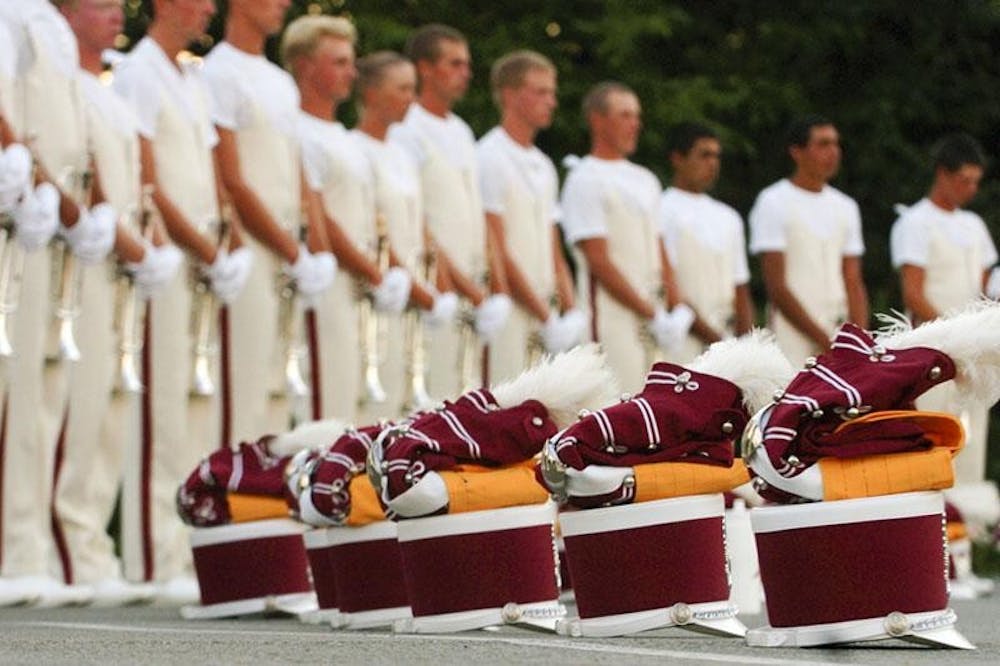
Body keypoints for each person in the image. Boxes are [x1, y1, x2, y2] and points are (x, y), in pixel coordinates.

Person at [113, 0, 245, 600]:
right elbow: (148, 177)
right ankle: (150, 556)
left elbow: (212, 169)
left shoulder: (192, 75)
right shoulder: (138, 70)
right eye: (197, 3)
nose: (208, 12)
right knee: (160, 408)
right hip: (173, 258)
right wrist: (199, 247)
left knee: (197, 405)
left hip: (206, 261)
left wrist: (229, 237)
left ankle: (187, 549)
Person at [53, 0, 181, 606]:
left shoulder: (108, 90)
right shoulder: (69, 83)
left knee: (107, 406)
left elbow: (138, 180)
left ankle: (89, 548)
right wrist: (129, 240)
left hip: (122, 263)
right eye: (99, 5)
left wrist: (150, 243)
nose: (113, 15)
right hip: (88, 256)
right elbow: (85, 168)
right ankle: (65, 547)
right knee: (73, 403)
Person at [0, 0, 115, 608]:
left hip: (46, 220)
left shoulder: (45, 24)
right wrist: (41, 184)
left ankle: (27, 548)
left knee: (42, 395)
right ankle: (15, 549)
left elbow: (72, 138)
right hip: (20, 211)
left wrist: (82, 209)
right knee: (14, 389)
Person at [203, 0, 335, 439]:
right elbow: (231, 179)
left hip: (286, 253)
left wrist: (312, 251)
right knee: (243, 383)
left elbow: (295, 168)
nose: (283, 4)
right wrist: (289, 249)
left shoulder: (280, 82)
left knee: (280, 386)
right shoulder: (218, 71)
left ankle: (267, 496)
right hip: (251, 248)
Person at [284, 16, 411, 423]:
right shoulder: (299, 130)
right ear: (304, 66)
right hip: (330, 283)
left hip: (361, 287)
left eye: (350, 62)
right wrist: (373, 273)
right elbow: (320, 215)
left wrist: (389, 271)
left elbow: (370, 217)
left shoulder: (342, 136)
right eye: (338, 62)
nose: (351, 73)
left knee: (363, 410)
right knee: (328, 407)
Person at [389, 24, 510, 398]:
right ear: (425, 68)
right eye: (454, 64)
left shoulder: (461, 130)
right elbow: (416, 216)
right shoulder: (406, 128)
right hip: (435, 286)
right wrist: (454, 285)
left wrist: (491, 288)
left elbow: (477, 214)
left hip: (471, 287)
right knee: (429, 396)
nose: (465, 73)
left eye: (466, 64)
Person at [559, 81, 693, 390]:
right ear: (597, 119)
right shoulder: (585, 178)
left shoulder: (645, 179)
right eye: (625, 115)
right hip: (611, 321)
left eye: (636, 116)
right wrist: (652, 313)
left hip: (653, 318)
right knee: (616, 405)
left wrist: (677, 305)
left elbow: (658, 248)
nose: (635, 124)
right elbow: (598, 260)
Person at [890, 133, 998, 486]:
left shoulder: (974, 225)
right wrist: (951, 333)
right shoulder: (916, 222)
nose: (969, 189)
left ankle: (974, 522)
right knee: (936, 427)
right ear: (942, 174)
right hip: (935, 345)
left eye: (975, 182)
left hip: (974, 349)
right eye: (963, 180)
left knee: (973, 429)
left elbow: (986, 285)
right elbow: (913, 291)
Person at [352, 51, 453, 416]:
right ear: (372, 93)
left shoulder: (401, 153)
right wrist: (412, 286)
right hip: (384, 291)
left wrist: (437, 284)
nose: (411, 97)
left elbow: (419, 222)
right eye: (402, 88)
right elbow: (373, 227)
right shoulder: (356, 148)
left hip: (415, 291)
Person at [478, 50, 582, 383]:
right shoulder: (488, 156)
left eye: (552, 92)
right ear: (509, 94)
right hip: (510, 307)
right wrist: (544, 314)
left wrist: (571, 309)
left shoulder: (545, 165)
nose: (551, 101)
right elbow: (494, 243)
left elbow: (553, 246)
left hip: (545, 310)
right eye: (541, 92)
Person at [748, 115, 869, 365]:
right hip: (791, 335)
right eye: (823, 144)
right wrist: (822, 339)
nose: (833, 152)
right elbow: (776, 286)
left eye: (836, 144)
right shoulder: (773, 201)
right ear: (797, 151)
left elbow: (853, 279)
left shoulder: (845, 206)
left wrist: (858, 339)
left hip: (839, 331)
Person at [659, 122, 753, 362]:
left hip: (727, 343)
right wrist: (714, 339)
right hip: (682, 341)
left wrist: (746, 345)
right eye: (704, 155)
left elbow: (740, 287)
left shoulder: (729, 217)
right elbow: (668, 284)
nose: (713, 163)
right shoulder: (662, 209)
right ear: (678, 158)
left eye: (716, 156)